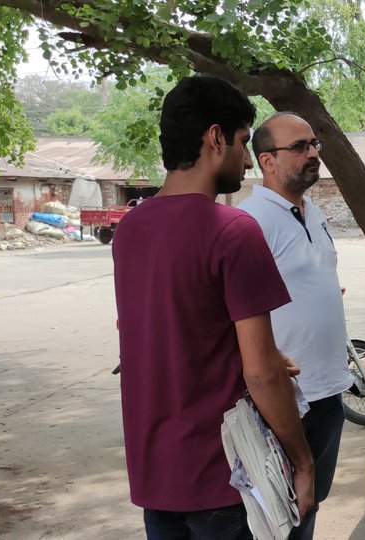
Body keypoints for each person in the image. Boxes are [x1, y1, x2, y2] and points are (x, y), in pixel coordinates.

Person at [113, 76, 314, 539]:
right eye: (243, 141)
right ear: (215, 136)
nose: (247, 159)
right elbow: (261, 372)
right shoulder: (232, 230)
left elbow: (160, 333)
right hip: (223, 481)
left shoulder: (131, 230)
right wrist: (302, 462)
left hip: (155, 476)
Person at [237, 112, 353, 540]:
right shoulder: (250, 222)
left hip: (328, 389)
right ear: (266, 161)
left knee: (309, 506)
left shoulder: (313, 212)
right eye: (300, 147)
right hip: (283, 400)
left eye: (313, 145)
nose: (312, 153)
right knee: (275, 519)